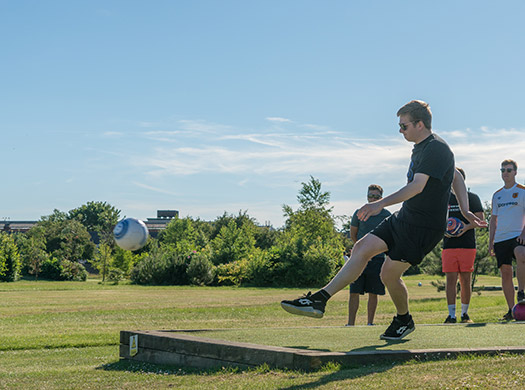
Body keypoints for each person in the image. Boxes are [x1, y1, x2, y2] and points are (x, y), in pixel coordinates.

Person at [281, 100, 486, 340]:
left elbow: (417, 187)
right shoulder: (422, 147)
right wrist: (464, 208)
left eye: (404, 126)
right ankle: (319, 300)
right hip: (405, 218)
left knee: (388, 275)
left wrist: (380, 203)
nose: (401, 131)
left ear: (420, 124)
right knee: (362, 247)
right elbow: (455, 176)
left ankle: (403, 319)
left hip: (423, 228)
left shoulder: (436, 149)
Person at [442, 168, 484, 324]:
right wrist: (445, 231)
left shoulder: (471, 198)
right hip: (448, 246)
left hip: (467, 245)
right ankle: (451, 315)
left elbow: (480, 220)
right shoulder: (444, 199)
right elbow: (437, 221)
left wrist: (463, 228)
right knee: (450, 279)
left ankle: (464, 314)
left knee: (465, 279)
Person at [347, 184, 391, 326]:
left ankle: (370, 323)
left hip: (378, 259)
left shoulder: (387, 215)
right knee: (354, 292)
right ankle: (350, 324)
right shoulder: (359, 212)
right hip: (358, 259)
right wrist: (362, 250)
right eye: (370, 196)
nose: (373, 199)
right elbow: (353, 234)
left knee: (374, 292)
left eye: (376, 197)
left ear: (381, 198)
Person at [489, 159, 525, 321]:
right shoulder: (497, 195)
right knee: (505, 272)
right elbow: (493, 220)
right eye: (502, 170)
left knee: (521, 254)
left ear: (515, 172)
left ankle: (522, 292)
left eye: (509, 170)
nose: (505, 173)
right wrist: (491, 242)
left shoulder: (523, 191)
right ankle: (511, 310)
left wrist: (524, 233)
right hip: (500, 238)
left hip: (518, 235)